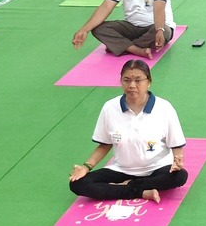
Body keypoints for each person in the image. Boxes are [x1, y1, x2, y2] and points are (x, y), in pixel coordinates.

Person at [69, 60, 188, 203]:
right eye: (127, 80)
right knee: (77, 183)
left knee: (180, 176)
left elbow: (176, 144)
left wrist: (177, 161)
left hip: (156, 169)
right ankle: (141, 191)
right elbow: (105, 145)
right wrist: (86, 167)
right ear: (121, 81)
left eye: (138, 80)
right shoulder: (110, 108)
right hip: (122, 170)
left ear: (149, 82)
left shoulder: (164, 108)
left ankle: (126, 188)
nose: (132, 85)